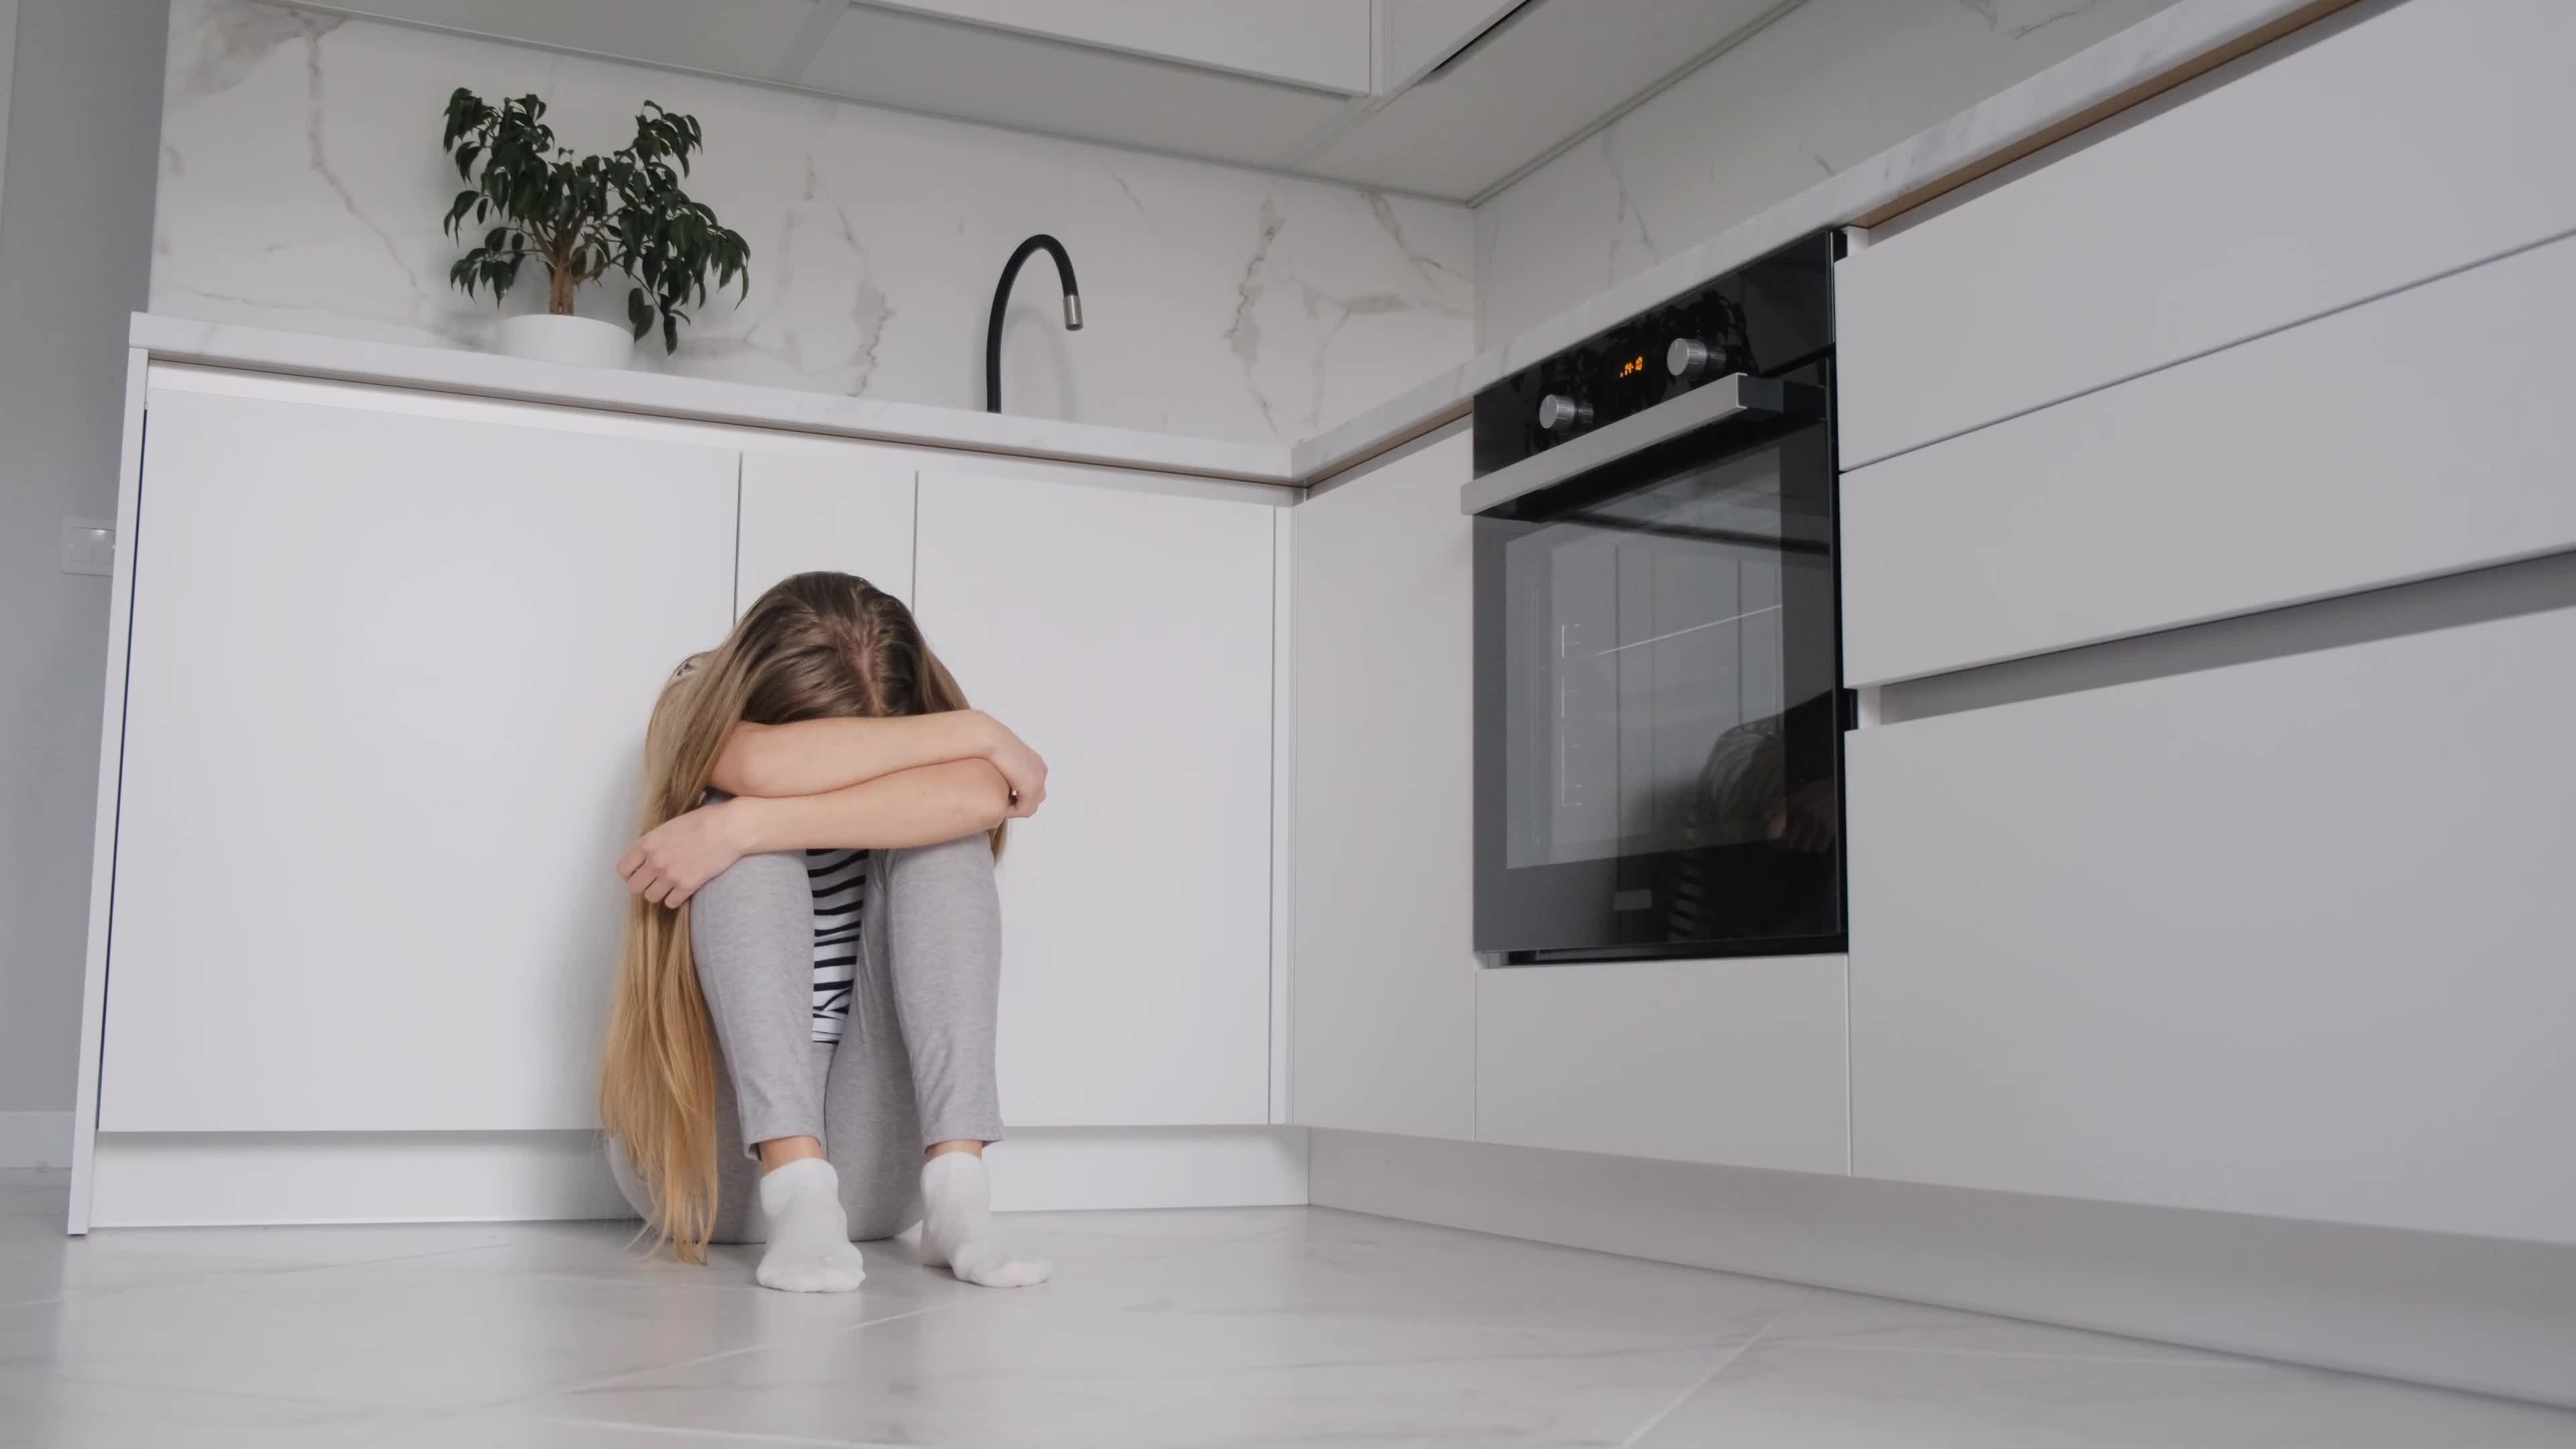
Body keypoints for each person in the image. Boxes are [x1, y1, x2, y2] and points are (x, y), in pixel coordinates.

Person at [600, 570, 1053, 1293]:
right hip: (704, 1171)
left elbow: (976, 795)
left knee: (945, 834)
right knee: (740, 840)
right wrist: (975, 732)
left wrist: (744, 824)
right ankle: (796, 1186)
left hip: (881, 1170)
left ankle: (960, 1191)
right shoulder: (691, 699)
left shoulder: (950, 749)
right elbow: (754, 764)